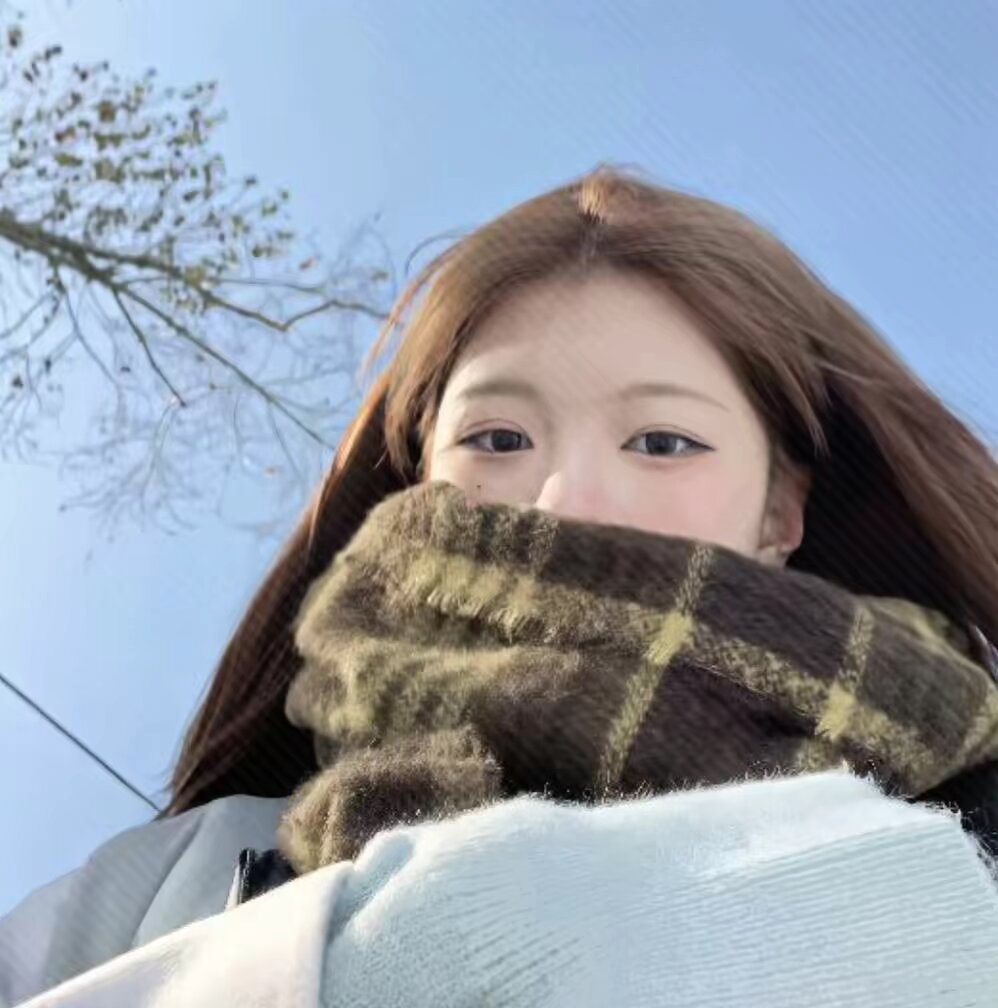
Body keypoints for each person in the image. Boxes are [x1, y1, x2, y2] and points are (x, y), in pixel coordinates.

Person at [3, 166, 998, 1007]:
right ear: (418, 483)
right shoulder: (173, 879)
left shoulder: (966, 834)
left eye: (662, 441)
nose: (563, 499)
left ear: (780, 513)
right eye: (498, 438)